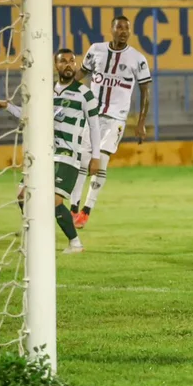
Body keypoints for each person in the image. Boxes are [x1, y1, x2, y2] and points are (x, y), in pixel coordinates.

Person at [0, 48, 101, 254]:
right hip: (43, 154)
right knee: (23, 195)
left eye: (71, 61)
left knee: (55, 201)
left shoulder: (84, 93)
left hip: (67, 156)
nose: (68, 65)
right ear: (56, 65)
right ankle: (34, 242)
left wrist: (95, 157)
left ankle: (75, 242)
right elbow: (29, 116)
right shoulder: (46, 91)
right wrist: (8, 107)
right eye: (63, 61)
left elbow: (94, 126)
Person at [70, 16, 152, 228]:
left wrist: (141, 123)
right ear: (112, 29)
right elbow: (81, 73)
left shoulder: (137, 59)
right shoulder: (96, 50)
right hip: (92, 115)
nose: (123, 31)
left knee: (102, 161)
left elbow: (146, 92)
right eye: (120, 27)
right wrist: (60, 86)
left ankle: (86, 210)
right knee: (83, 161)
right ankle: (73, 208)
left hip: (116, 118)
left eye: (127, 28)